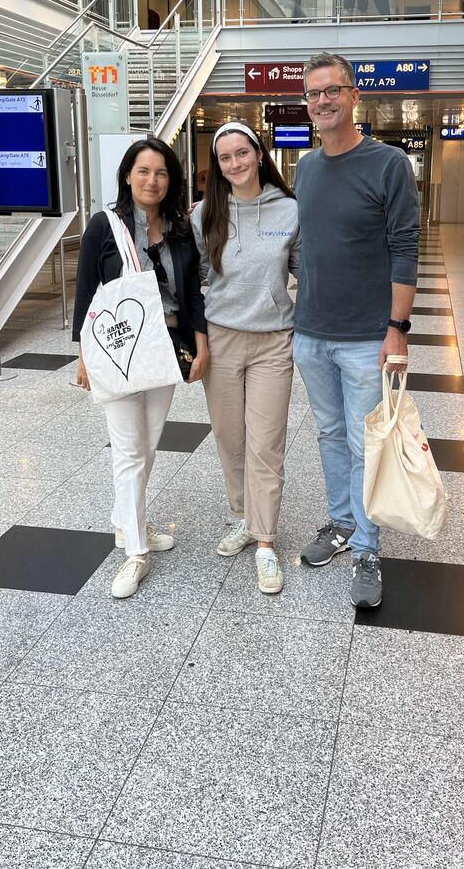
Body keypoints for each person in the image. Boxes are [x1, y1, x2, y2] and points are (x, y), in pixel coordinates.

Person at [293, 53, 419, 609]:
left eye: (332, 90)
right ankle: (342, 523)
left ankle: (367, 549)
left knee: (365, 442)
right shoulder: (305, 168)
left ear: (353, 96)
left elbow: (405, 247)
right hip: (311, 331)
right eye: (314, 93)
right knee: (329, 435)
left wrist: (397, 328)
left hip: (368, 335)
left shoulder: (388, 164)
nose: (322, 100)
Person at [73, 138, 208, 599]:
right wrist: (84, 356)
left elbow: (191, 292)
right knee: (128, 452)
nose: (153, 180)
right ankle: (135, 551)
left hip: (165, 347)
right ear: (128, 176)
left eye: (162, 172)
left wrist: (201, 345)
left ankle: (129, 522)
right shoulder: (105, 225)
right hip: (117, 350)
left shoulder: (179, 228)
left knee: (147, 447)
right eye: (144, 171)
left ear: (172, 180)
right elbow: (86, 292)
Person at [191, 122, 300, 594]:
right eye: (225, 157)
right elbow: (195, 274)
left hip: (273, 341)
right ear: (217, 166)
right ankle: (243, 516)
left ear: (258, 154)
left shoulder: (290, 209)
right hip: (221, 341)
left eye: (242, 153)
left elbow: (306, 270)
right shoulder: (205, 214)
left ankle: (265, 542)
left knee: (266, 444)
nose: (234, 163)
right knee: (230, 439)